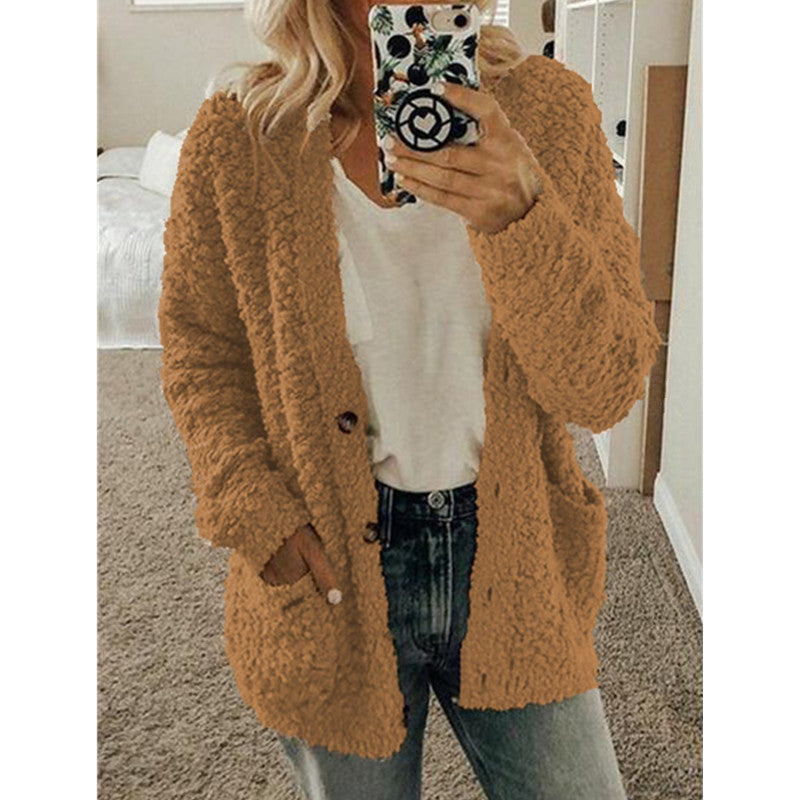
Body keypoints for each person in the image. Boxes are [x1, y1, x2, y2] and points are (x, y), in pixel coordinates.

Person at [157, 1, 662, 798]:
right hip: (330, 574)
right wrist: (255, 510)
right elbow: (201, 351)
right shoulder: (241, 136)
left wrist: (524, 214)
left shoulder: (548, 113)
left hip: (517, 558)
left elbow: (606, 386)